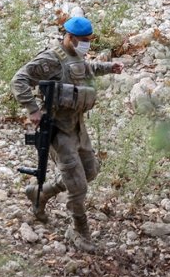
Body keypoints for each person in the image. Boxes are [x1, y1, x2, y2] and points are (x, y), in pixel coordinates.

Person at [11, 16, 123, 252]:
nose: (86, 45)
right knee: (78, 186)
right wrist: (32, 109)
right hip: (58, 130)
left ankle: (41, 193)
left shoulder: (76, 57)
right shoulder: (50, 60)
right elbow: (19, 80)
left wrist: (108, 68)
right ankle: (79, 231)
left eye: (88, 41)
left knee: (90, 171)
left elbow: (85, 70)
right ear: (69, 37)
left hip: (78, 128)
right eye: (82, 41)